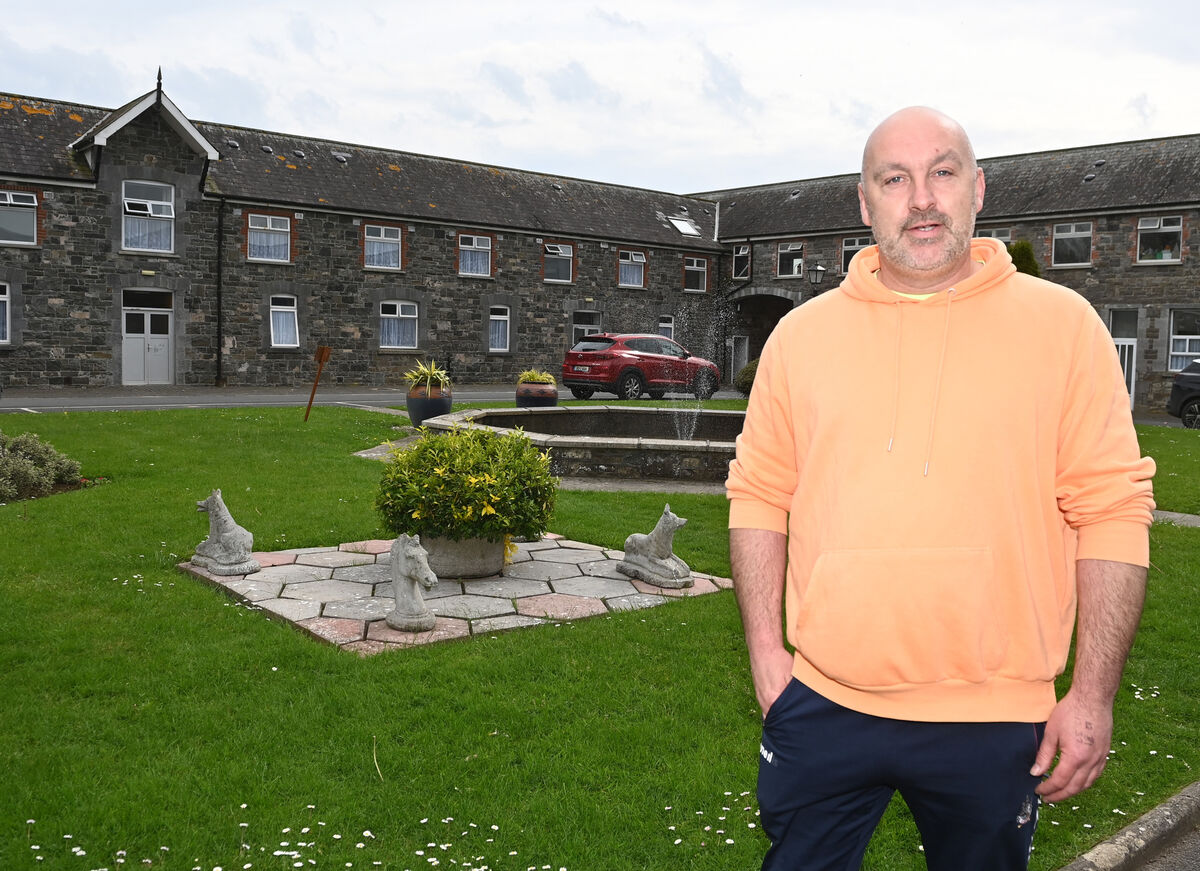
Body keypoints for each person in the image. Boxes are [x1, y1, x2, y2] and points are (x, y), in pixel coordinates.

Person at [725, 106, 1156, 871]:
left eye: (942, 172)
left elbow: (1114, 512)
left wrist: (1090, 695)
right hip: (825, 701)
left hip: (994, 714)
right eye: (895, 178)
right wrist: (767, 653)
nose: (921, 198)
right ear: (865, 203)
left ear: (978, 189)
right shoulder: (800, 338)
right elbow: (758, 492)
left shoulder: (1065, 328)